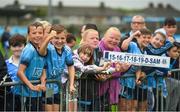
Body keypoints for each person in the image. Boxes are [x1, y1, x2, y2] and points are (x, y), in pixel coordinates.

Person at [39, 24, 75, 111]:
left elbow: (71, 67)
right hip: (48, 85)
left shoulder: (67, 50)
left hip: (57, 85)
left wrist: (71, 84)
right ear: (51, 39)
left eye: (62, 38)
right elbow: (41, 51)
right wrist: (49, 37)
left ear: (66, 38)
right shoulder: (49, 48)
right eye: (56, 38)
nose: (59, 41)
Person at [16, 22, 46, 111]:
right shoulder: (29, 50)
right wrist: (31, 86)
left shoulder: (41, 49)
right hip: (26, 93)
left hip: (37, 92)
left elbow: (43, 69)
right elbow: (20, 72)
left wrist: (43, 84)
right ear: (28, 34)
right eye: (34, 33)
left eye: (40, 33)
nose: (37, 35)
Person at [120, 28, 152, 111]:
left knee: (131, 107)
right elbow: (123, 46)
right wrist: (132, 35)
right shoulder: (133, 45)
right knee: (124, 107)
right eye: (144, 37)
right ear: (138, 37)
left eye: (148, 38)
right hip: (123, 80)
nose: (146, 40)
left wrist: (138, 78)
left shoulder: (144, 52)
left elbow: (139, 67)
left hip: (131, 82)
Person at [5, 34, 26, 111]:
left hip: (28, 98)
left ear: (24, 46)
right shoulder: (5, 64)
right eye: (14, 46)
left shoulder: (30, 63)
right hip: (11, 100)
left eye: (20, 46)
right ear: (10, 47)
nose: (17, 49)